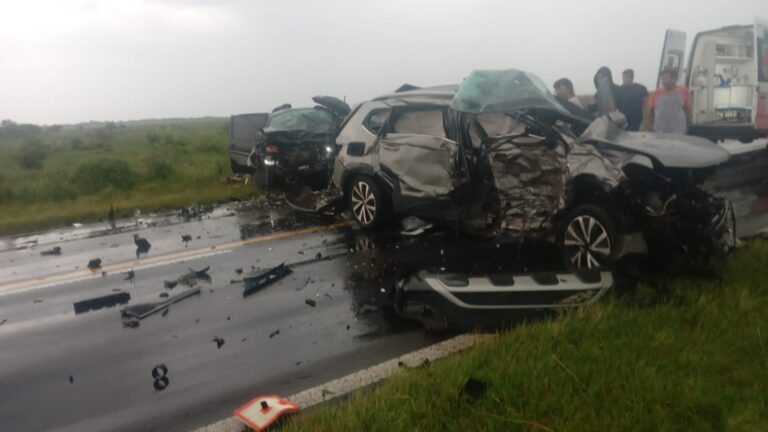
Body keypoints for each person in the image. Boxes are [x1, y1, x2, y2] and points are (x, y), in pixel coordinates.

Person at [647, 68, 690, 134]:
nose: (664, 81)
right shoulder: (656, 93)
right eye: (662, 79)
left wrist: (687, 127)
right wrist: (650, 127)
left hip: (679, 132)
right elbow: (651, 111)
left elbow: (687, 110)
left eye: (666, 78)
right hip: (659, 132)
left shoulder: (684, 92)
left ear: (674, 79)